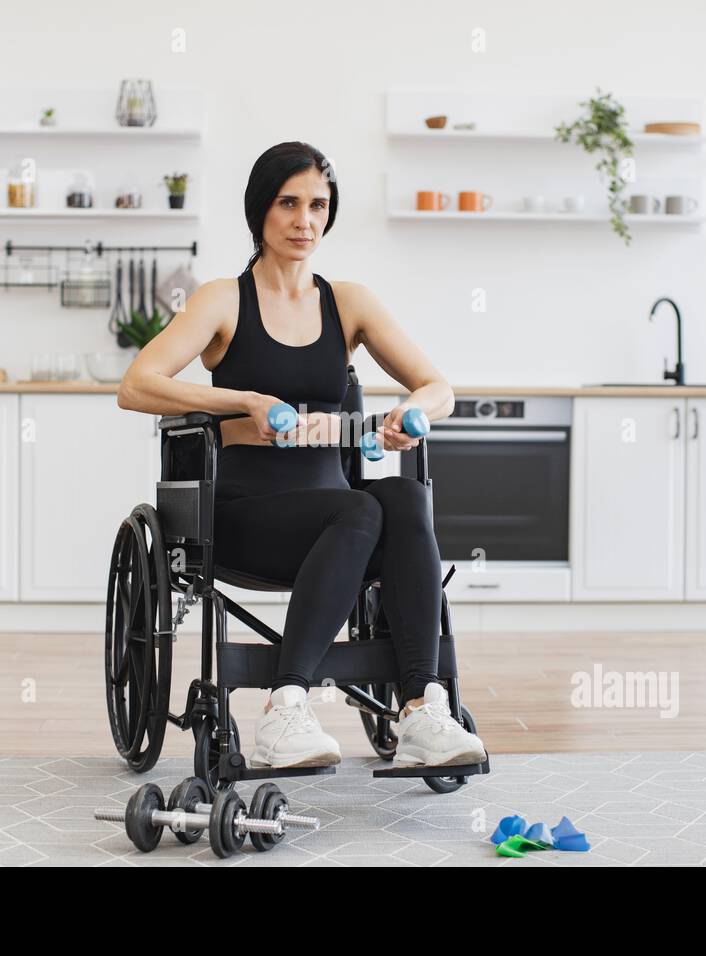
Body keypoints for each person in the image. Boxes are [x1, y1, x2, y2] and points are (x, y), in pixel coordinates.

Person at [117, 141, 487, 770]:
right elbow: (137, 384)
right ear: (261, 211)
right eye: (289, 204)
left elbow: (439, 387)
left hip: (339, 520)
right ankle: (285, 707)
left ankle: (422, 707)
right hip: (243, 516)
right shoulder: (222, 300)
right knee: (361, 512)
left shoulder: (349, 303)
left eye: (318, 205)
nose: (304, 221)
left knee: (398, 495)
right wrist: (243, 403)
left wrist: (410, 413)